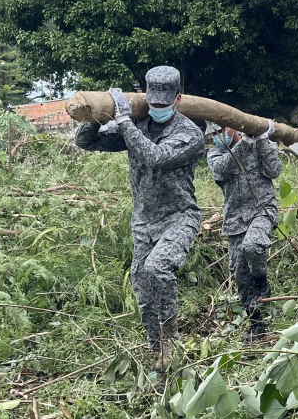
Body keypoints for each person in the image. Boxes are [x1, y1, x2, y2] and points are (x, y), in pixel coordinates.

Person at [74, 66, 205, 370]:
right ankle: (156, 349)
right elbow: (86, 142)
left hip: (179, 218)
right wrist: (101, 114)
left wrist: (124, 122)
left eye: (164, 103)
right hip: (144, 222)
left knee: (158, 268)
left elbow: (155, 157)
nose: (158, 107)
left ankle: (171, 344)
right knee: (142, 282)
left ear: (177, 98)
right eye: (153, 102)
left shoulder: (189, 133)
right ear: (146, 97)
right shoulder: (137, 123)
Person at [206, 119, 282, 336]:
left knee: (253, 246)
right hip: (234, 221)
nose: (218, 137)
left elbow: (275, 170)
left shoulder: (258, 145)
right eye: (214, 134)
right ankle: (257, 325)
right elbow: (223, 169)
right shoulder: (214, 156)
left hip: (262, 210)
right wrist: (244, 144)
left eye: (222, 130)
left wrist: (262, 140)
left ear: (233, 127)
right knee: (241, 278)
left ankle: (262, 280)